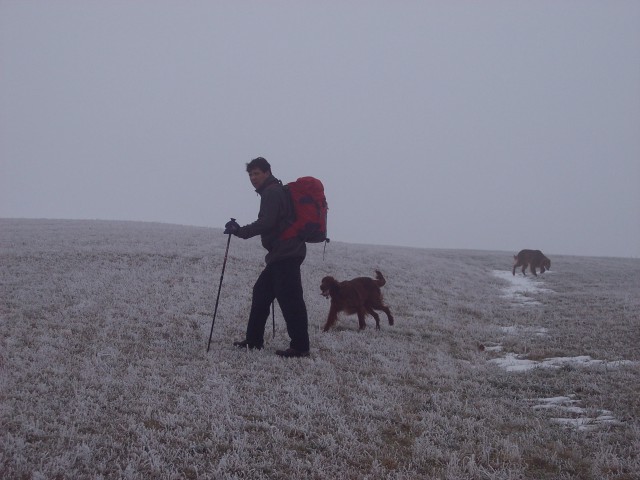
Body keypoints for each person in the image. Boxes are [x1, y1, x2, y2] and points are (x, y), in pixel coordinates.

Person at [224, 157, 310, 358]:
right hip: (282, 254)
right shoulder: (274, 190)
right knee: (261, 293)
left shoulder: (272, 192)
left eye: (256, 173)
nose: (253, 178)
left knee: (291, 301)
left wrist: (240, 231)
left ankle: (300, 347)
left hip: (286, 254)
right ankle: (253, 341)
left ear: (267, 172)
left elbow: (267, 222)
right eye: (250, 174)